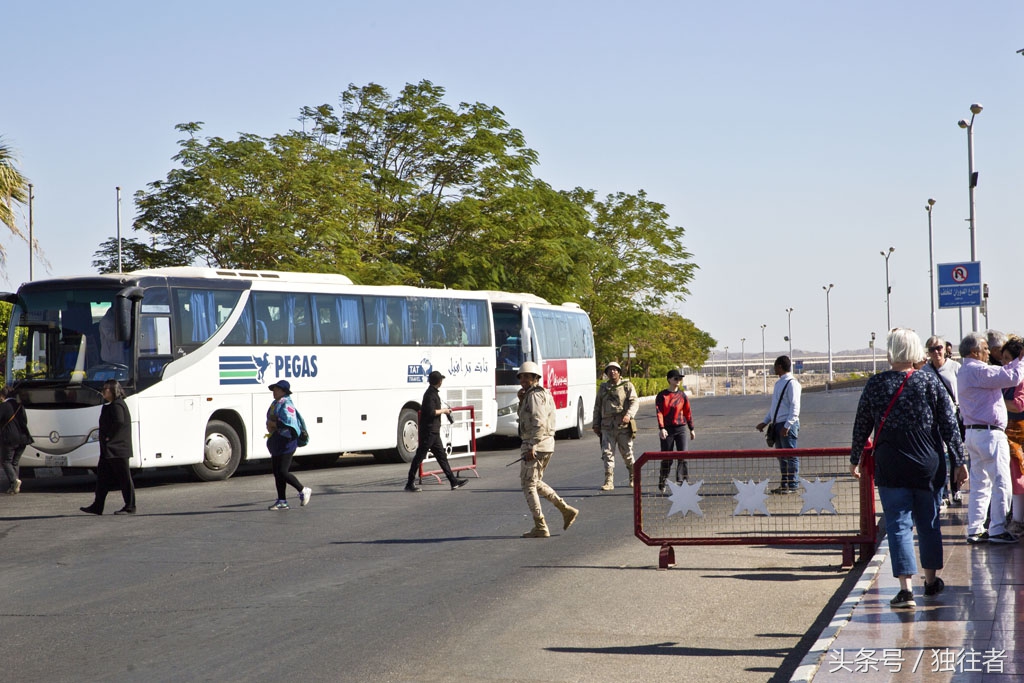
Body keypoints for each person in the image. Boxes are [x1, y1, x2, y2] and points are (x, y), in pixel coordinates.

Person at [850, 328, 968, 608]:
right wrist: (959, 461)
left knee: (898, 525)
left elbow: (862, 425)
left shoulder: (876, 384)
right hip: (928, 463)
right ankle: (929, 582)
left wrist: (856, 458)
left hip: (890, 465)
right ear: (917, 350)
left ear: (891, 351)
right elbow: (949, 424)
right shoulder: (928, 381)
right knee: (928, 523)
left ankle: (905, 590)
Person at [958, 331, 1024, 544]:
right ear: (975, 352)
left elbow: (1003, 372)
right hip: (989, 434)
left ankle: (976, 529)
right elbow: (1011, 377)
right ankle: (997, 528)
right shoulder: (978, 370)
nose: (989, 353)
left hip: (974, 433)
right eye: (985, 349)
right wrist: (1022, 361)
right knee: (1001, 481)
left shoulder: (966, 370)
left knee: (980, 484)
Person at [515, 361, 579, 537]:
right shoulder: (534, 395)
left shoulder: (535, 396)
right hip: (544, 444)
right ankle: (565, 509)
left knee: (528, 484)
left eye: (528, 377)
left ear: (536, 378)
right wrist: (521, 401)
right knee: (535, 482)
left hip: (536, 444)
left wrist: (533, 445)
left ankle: (541, 525)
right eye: (522, 377)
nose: (524, 380)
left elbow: (538, 421)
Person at [80, 380, 137, 515]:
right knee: (102, 479)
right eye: (103, 388)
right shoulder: (111, 405)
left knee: (124, 478)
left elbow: (119, 422)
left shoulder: (117, 405)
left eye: (106, 389)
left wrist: (109, 437)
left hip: (117, 449)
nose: (103, 391)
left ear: (114, 391)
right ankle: (97, 506)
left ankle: (130, 506)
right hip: (109, 450)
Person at [406, 370, 469, 492]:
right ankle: (409, 482)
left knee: (442, 457)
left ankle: (453, 481)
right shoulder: (429, 395)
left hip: (434, 432)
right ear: (439, 381)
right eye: (441, 380)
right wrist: (444, 411)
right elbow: (430, 412)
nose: (442, 382)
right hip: (429, 431)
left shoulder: (433, 393)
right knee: (419, 457)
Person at [924, 335, 963, 506]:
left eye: (939, 348)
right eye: (932, 349)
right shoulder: (925, 371)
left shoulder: (955, 368)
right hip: (934, 419)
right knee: (940, 455)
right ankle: (944, 493)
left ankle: (956, 489)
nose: (936, 352)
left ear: (945, 349)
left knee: (955, 453)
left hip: (953, 416)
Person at [756, 355, 802, 494]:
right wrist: (765, 422)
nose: (774, 369)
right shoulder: (779, 383)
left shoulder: (792, 383)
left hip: (787, 425)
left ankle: (792, 485)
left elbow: (795, 406)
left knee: (790, 455)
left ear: (780, 366)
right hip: (777, 424)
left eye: (775, 366)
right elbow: (775, 407)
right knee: (781, 456)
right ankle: (784, 484)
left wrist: (787, 426)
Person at [264, 379, 312, 510]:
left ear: (283, 391)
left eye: (277, 389)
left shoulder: (286, 404)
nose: (274, 391)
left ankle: (303, 489)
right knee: (277, 472)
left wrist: (274, 424)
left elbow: (290, 425)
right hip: (277, 441)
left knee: (283, 471)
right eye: (273, 389)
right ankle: (282, 501)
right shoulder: (276, 403)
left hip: (287, 442)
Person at [593, 361, 639, 491]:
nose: (612, 372)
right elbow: (597, 407)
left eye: (615, 369)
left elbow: (634, 402)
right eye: (609, 370)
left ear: (619, 372)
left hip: (622, 426)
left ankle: (633, 476)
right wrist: (596, 423)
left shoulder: (627, 386)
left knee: (627, 453)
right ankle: (609, 480)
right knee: (607, 454)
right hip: (607, 426)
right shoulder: (603, 388)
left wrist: (629, 415)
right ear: (606, 373)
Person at [656, 368, 695, 492]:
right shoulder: (662, 395)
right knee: (667, 457)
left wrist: (691, 428)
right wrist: (661, 428)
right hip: (667, 429)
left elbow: (688, 412)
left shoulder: (682, 395)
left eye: (680, 378)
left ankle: (682, 483)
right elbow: (659, 412)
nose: (678, 380)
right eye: (675, 378)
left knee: (683, 456)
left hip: (681, 428)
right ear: (669, 380)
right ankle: (663, 480)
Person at [1000, 336, 1024, 537]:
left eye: (1008, 358)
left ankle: (1018, 520)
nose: (1004, 363)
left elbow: (1018, 404)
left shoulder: (1020, 379)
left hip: (1018, 433)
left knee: (1017, 476)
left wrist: (995, 399)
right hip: (1010, 432)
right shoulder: (1008, 380)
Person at [0, 385, 31, 494]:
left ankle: (14, 481)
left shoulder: (4, 406)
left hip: (10, 438)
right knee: (15, 462)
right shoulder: (19, 406)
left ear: (2, 395)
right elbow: (25, 421)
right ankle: (14, 487)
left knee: (5, 461)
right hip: (23, 438)